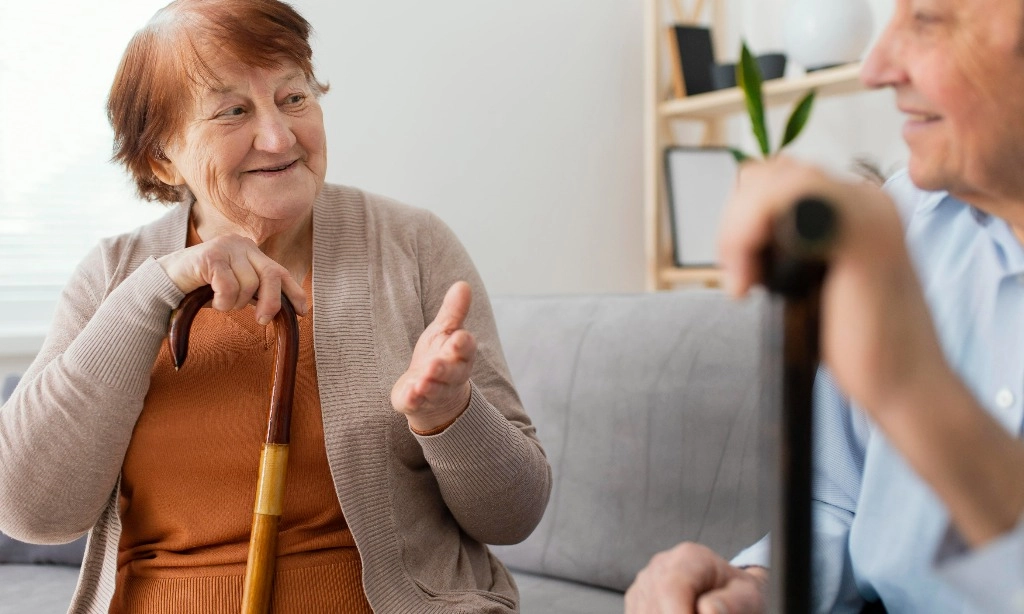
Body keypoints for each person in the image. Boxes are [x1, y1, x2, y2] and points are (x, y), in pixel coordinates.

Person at [0, 1, 551, 612]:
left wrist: (450, 415)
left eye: (294, 98)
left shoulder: (411, 245)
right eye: (232, 111)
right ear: (162, 157)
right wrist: (154, 290)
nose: (279, 136)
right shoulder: (115, 275)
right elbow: (31, 511)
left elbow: (515, 514)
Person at [626, 0, 1024, 613]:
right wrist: (761, 587)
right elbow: (836, 503)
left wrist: (912, 389)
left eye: (927, 18)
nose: (876, 67)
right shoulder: (904, 225)